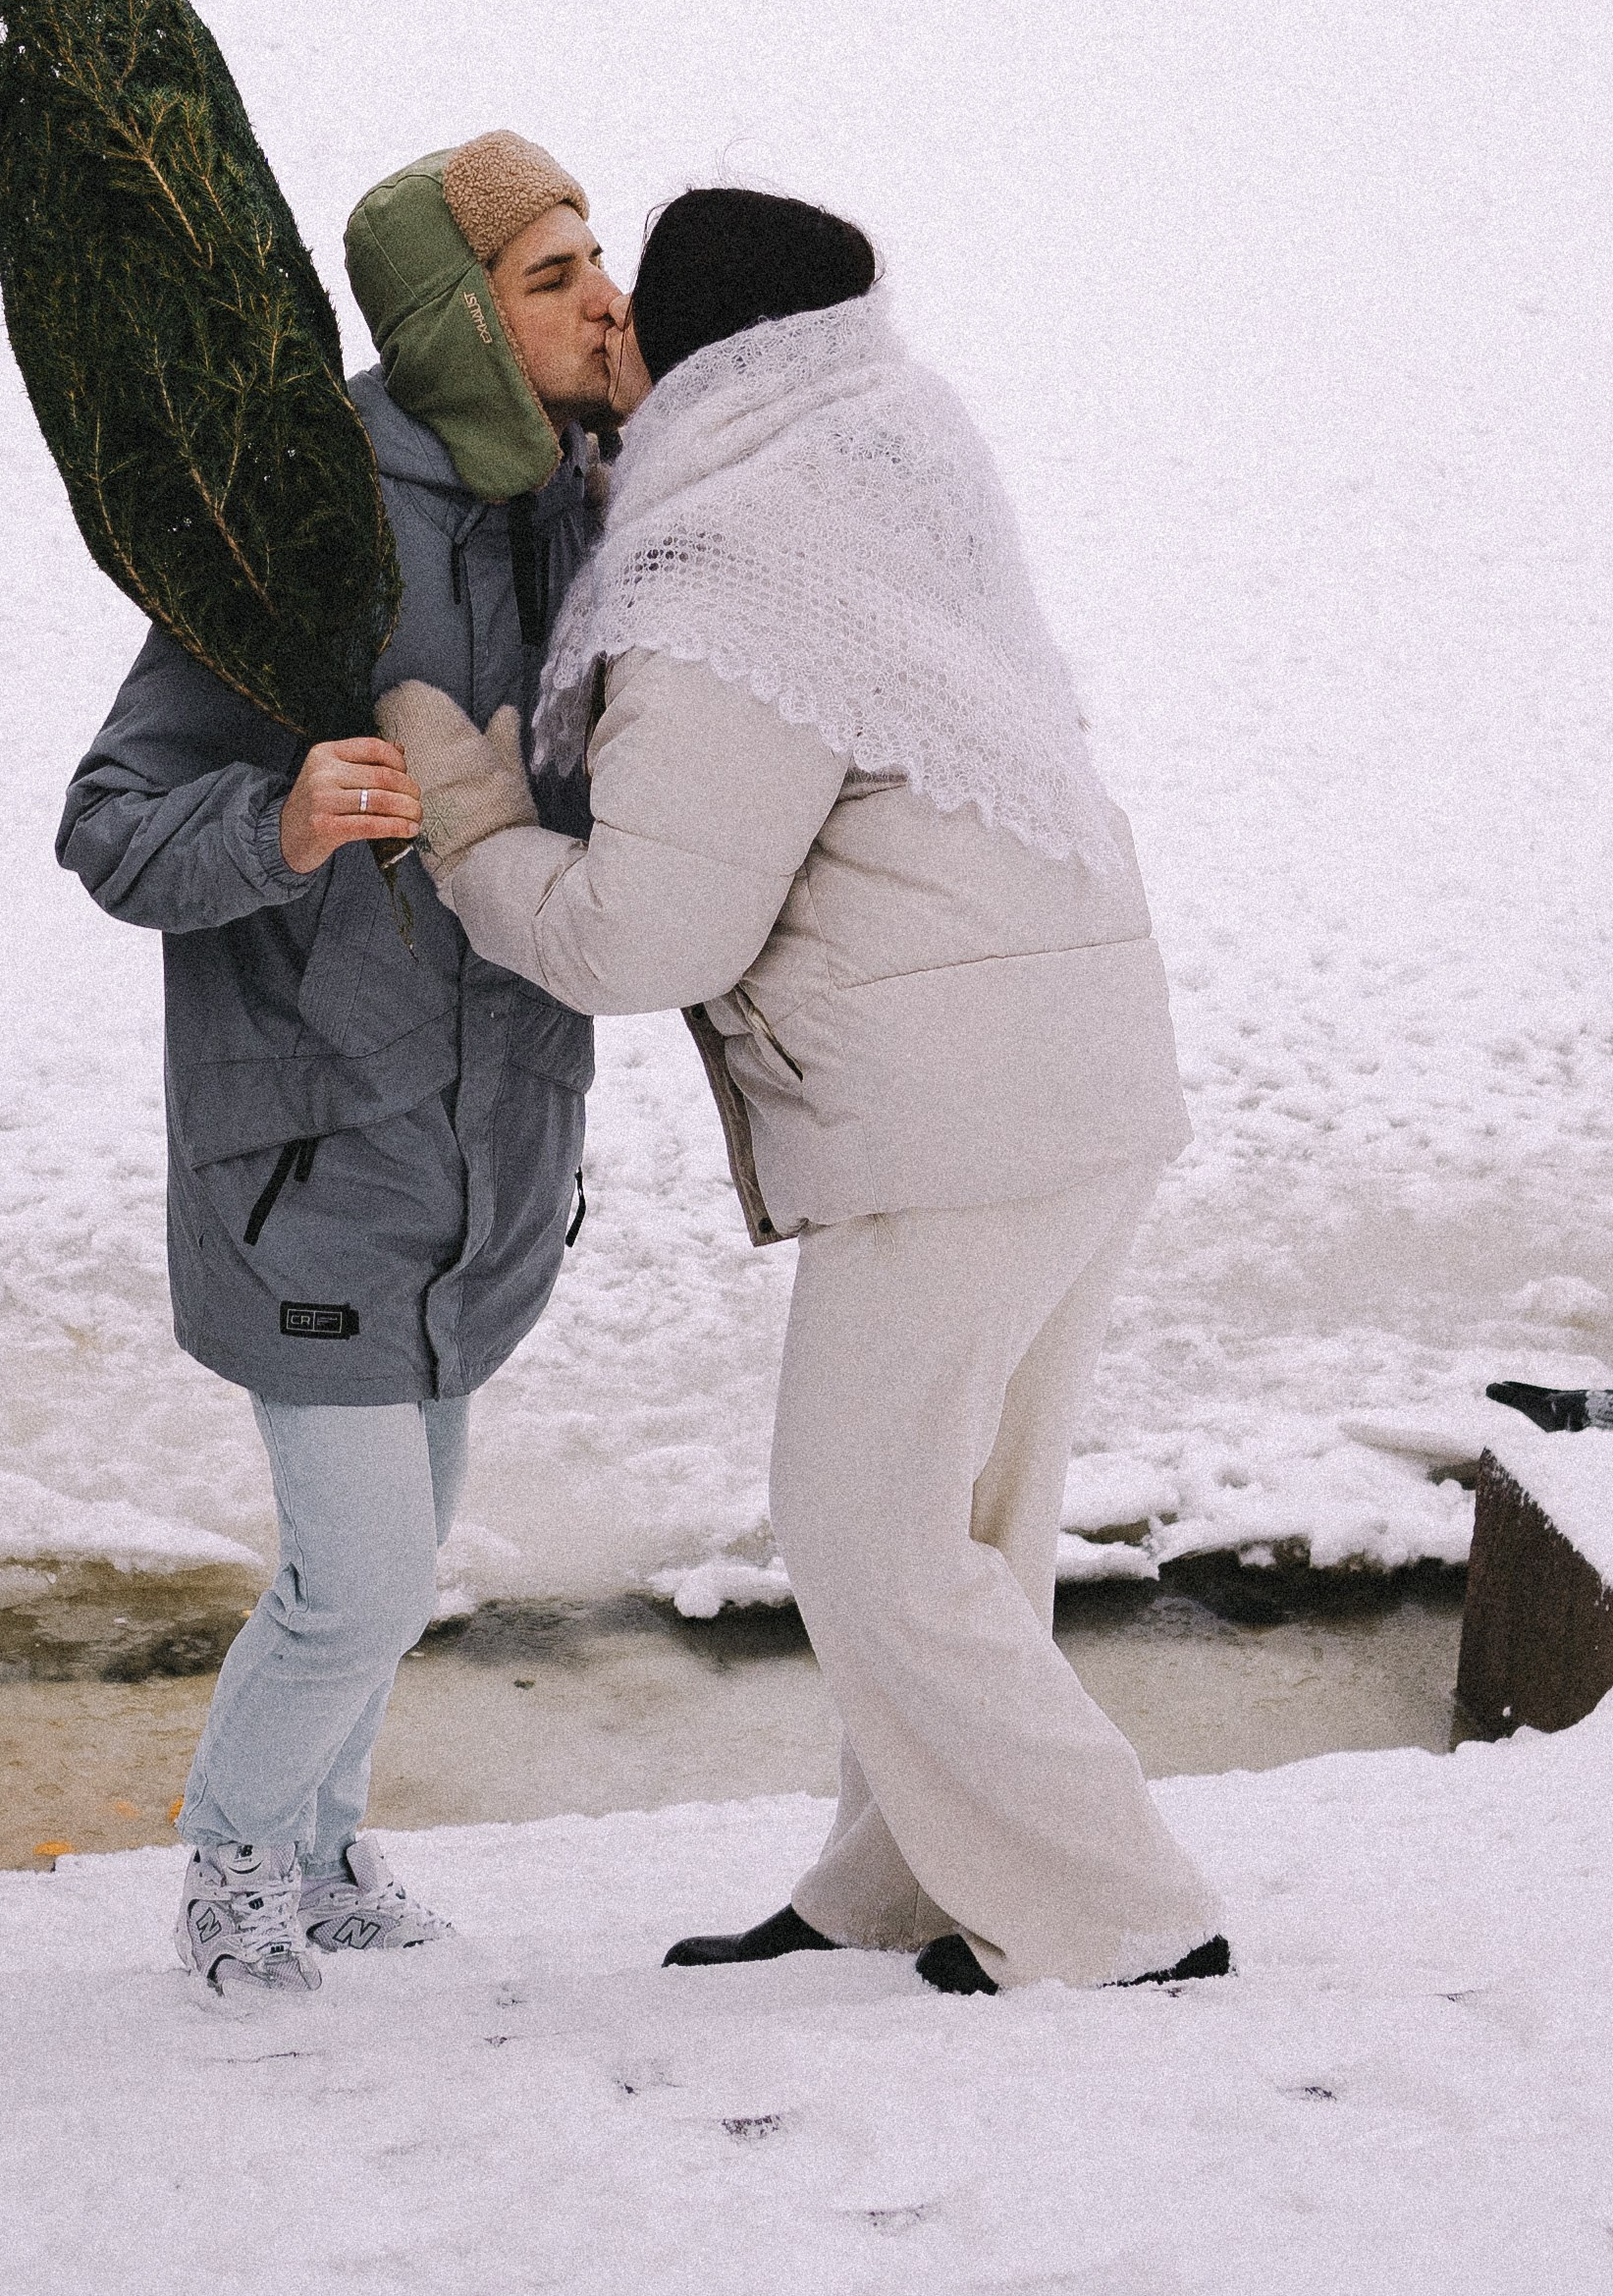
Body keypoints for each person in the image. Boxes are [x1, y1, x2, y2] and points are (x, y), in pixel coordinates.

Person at [383, 187, 1228, 1996]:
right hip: (1075, 1067)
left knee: (861, 1528)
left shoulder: (722, 579)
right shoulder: (889, 444)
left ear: (703, 357)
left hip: (960, 1114)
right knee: (964, 1522)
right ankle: (902, 1881)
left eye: (630, 315)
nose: (605, 329)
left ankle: (1125, 1918)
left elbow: (642, 935)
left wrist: (466, 815)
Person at [58, 131, 624, 2000]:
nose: (599, 298)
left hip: (488, 1151)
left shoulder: (583, 514)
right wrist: (283, 818)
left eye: (593, 259)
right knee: (361, 1578)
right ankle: (233, 1865)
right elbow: (112, 817)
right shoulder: (300, 522)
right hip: (308, 1154)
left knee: (402, 1557)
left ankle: (321, 1848)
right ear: (459, 319)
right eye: (549, 277)